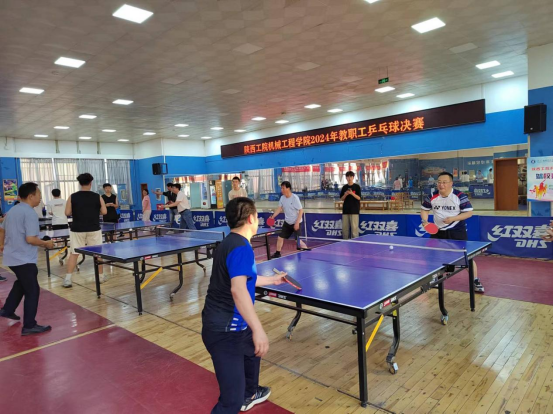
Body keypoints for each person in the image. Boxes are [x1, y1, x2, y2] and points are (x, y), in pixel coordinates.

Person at [202, 197, 289, 414]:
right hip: (225, 331)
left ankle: (250, 393)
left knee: (252, 350)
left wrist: (272, 280)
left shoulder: (230, 242)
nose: (258, 219)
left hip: (229, 325)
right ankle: (240, 397)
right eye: (257, 216)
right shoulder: (241, 248)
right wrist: (259, 329)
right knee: (230, 402)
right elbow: (238, 289)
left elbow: (245, 278)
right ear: (251, 218)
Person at [0, 182, 54, 336]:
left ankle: (7, 310)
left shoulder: (13, 210)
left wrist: (1, 245)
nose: (40, 198)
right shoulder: (30, 213)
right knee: (32, 290)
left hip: (13, 256)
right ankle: (29, 325)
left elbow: (1, 229)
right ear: (31, 196)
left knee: (22, 283)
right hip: (23, 258)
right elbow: (30, 239)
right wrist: (46, 243)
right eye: (39, 195)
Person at [421, 172, 485, 293]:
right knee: (433, 256)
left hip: (456, 230)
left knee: (465, 258)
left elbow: (469, 213)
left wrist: (453, 219)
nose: (441, 185)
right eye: (439, 182)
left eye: (444, 182)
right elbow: (424, 210)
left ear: (451, 183)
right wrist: (425, 222)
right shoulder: (432, 196)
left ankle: (475, 280)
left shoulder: (459, 196)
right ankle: (434, 279)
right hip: (438, 231)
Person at [63, 174, 108, 289]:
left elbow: (67, 213)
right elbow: (104, 212)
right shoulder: (98, 196)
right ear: (91, 183)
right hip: (94, 229)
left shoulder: (72, 196)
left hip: (77, 229)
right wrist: (93, 211)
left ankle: (68, 279)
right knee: (98, 253)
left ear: (79, 183)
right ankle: (100, 276)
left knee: (74, 253)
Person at [269, 182, 308, 259]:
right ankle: (277, 253)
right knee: (280, 237)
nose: (282, 190)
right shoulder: (282, 198)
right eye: (281, 188)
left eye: (283, 188)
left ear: (288, 188)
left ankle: (307, 251)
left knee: (297, 241)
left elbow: (301, 210)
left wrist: (297, 223)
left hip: (296, 222)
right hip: (287, 222)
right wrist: (272, 216)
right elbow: (279, 209)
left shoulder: (294, 198)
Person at [341, 171, 361, 240]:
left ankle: (355, 242)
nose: (349, 178)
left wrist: (352, 193)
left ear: (353, 177)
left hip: (354, 210)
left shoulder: (357, 187)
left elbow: (359, 198)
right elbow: (342, 199)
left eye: (351, 177)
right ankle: (345, 241)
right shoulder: (344, 187)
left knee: (354, 229)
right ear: (346, 178)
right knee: (345, 229)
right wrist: (345, 194)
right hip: (345, 210)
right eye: (348, 177)